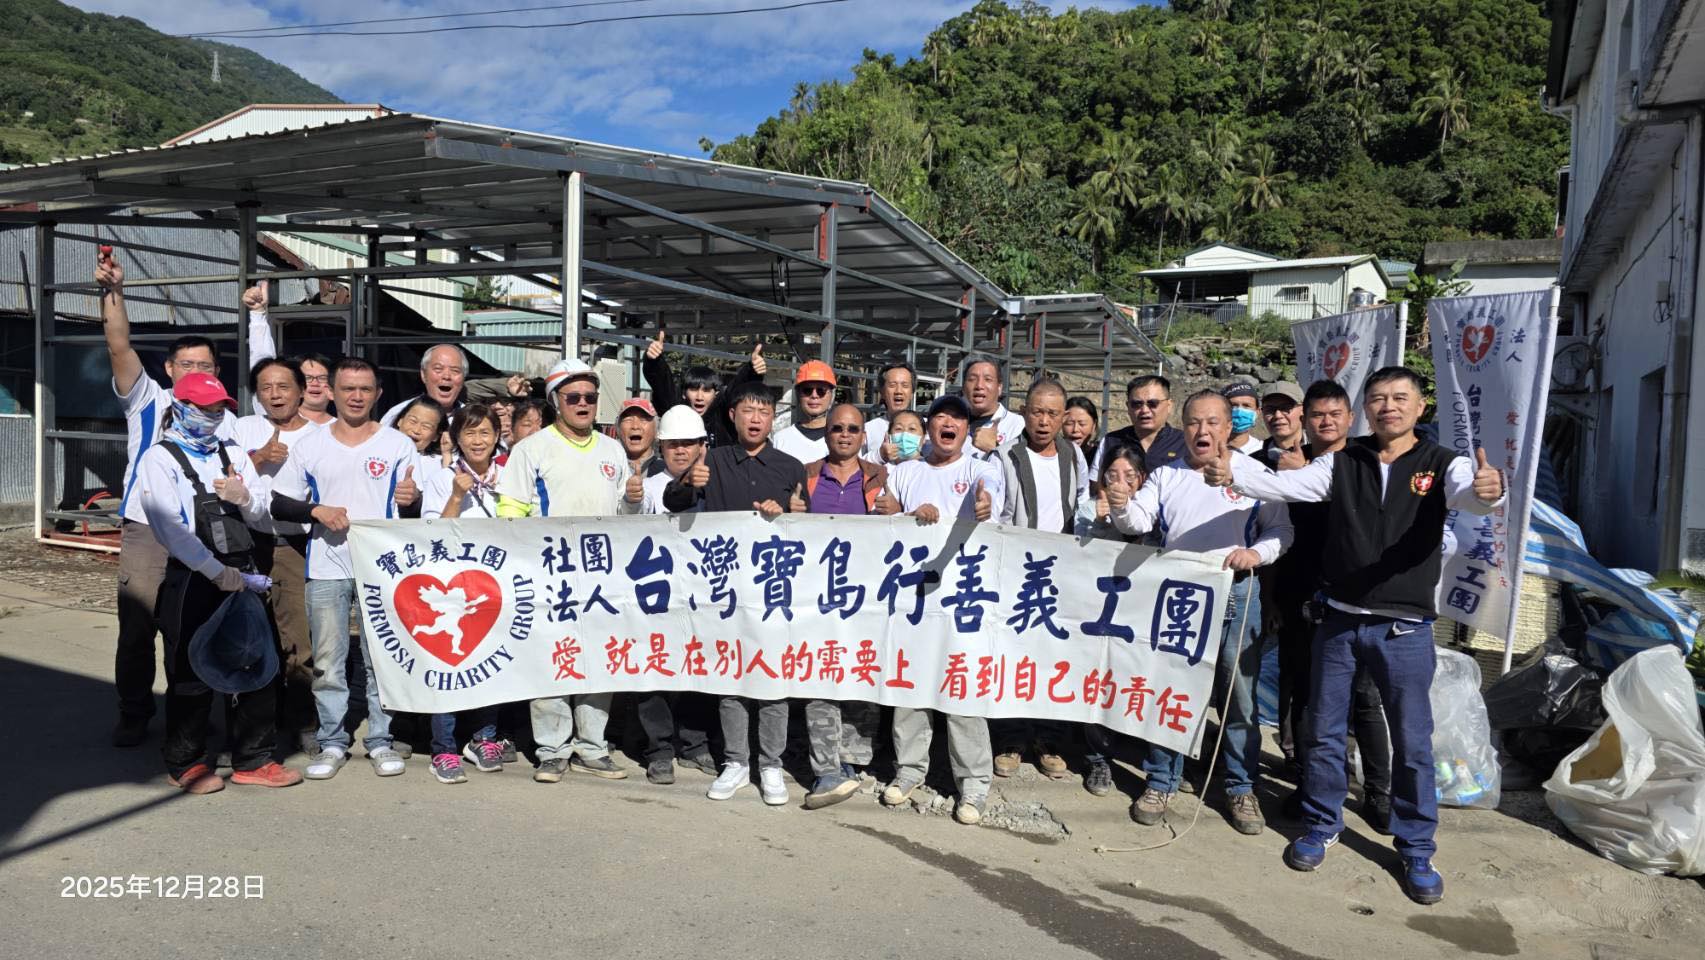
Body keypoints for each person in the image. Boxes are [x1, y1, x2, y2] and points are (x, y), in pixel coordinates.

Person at [1208, 366, 1506, 905]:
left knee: (1412, 742)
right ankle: (1323, 824)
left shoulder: (1443, 464)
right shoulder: (1344, 461)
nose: (1388, 407)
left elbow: (1472, 494)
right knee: (1322, 732)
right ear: (1366, 410)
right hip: (1339, 620)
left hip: (1405, 627)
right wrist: (1228, 469)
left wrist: (1490, 491)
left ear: (1419, 407)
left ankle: (1416, 847)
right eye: (1378, 399)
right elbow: (1284, 484)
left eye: (1399, 398)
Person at [97, 247, 275, 747]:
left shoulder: (226, 417)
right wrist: (113, 291)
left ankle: (191, 714)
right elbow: (117, 346)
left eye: (207, 363)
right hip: (150, 532)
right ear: (170, 368)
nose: (197, 369)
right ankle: (134, 711)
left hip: (212, 534)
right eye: (187, 362)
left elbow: (266, 375)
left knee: (196, 627)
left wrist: (258, 317)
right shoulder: (149, 401)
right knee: (138, 628)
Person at [1107, 390, 1293, 836]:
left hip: (1236, 593)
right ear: (1183, 426)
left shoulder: (1253, 474)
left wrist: (1256, 554)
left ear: (1229, 428)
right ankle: (1161, 779)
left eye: (1213, 423)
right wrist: (1118, 503)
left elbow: (1282, 530)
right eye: (1193, 423)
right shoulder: (1167, 475)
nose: (1202, 431)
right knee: (1172, 690)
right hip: (1179, 596)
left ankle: (1239, 786)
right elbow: (1138, 522)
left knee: (1239, 699)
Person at [138, 372, 301, 793]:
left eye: (218, 410)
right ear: (180, 407)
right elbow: (169, 527)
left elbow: (263, 514)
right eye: (203, 409)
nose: (212, 417)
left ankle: (254, 758)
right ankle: (186, 761)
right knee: (190, 668)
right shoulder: (161, 459)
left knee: (256, 662)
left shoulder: (233, 453)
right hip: (195, 576)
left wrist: (244, 498)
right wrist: (215, 572)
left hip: (244, 570)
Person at [268, 357, 422, 780]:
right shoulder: (310, 446)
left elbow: (417, 514)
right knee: (329, 660)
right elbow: (279, 502)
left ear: (378, 394)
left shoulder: (397, 445)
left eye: (365, 389)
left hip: (382, 569)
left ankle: (381, 740)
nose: (357, 397)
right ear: (331, 392)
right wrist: (315, 509)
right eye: (348, 388)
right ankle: (332, 740)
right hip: (327, 565)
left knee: (381, 659)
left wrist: (412, 500)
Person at [663, 380, 807, 805]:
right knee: (730, 679)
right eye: (748, 410)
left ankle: (772, 765)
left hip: (774, 591)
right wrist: (691, 480)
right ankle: (736, 762)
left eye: (764, 411)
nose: (756, 418)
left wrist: (796, 512)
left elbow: (811, 528)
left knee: (773, 680)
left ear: (772, 418)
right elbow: (673, 502)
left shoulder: (791, 466)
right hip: (723, 589)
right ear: (733, 416)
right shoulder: (715, 459)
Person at [497, 358, 639, 784]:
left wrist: (633, 498)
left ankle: (592, 747)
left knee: (598, 660)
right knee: (551, 659)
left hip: (601, 572)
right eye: (573, 397)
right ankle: (552, 749)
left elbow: (626, 513)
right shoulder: (531, 450)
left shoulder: (613, 450)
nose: (583, 404)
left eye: (590, 398)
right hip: (548, 572)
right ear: (555, 401)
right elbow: (511, 510)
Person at [1263, 380, 1393, 831]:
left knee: (1362, 698)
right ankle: (1308, 784)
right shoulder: (1285, 463)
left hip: (1355, 601)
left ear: (1349, 418)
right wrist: (1275, 597)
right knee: (1305, 694)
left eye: (1333, 414)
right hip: (1301, 598)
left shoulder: (1365, 462)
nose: (1325, 422)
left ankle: (1379, 792)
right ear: (1306, 418)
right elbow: (1278, 535)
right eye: (1317, 414)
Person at [877, 393, 1002, 825]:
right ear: (928, 427)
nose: (948, 424)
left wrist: (984, 504)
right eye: (940, 418)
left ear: (967, 429)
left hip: (963, 602)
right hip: (911, 599)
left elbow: (992, 497)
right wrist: (903, 512)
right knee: (909, 688)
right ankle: (908, 770)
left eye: (958, 419)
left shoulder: (979, 469)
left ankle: (973, 785)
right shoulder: (905, 471)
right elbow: (884, 515)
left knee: (963, 691)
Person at [992, 379, 1089, 781]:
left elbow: (1082, 506)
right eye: (1036, 412)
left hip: (1061, 574)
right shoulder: (1006, 456)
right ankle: (1010, 740)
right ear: (1024, 412)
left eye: (1052, 413)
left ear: (1064, 416)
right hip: (1018, 572)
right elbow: (998, 512)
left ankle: (1049, 740)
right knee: (1014, 659)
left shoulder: (1074, 456)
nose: (1044, 421)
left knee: (1054, 661)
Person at [798, 403, 886, 810]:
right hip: (817, 599)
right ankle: (827, 770)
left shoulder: (881, 478)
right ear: (826, 433)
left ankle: (852, 761)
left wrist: (899, 512)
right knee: (820, 677)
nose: (845, 434)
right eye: (837, 428)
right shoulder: (807, 475)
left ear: (863, 435)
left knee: (860, 674)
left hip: (867, 598)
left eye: (853, 428)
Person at [233, 357, 321, 750]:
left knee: (297, 640)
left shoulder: (322, 434)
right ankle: (254, 723)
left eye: (283, 386)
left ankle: (302, 720)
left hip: (294, 545)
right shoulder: (243, 428)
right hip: (247, 543)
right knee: (251, 637)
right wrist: (258, 458)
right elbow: (225, 477)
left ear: (302, 390)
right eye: (266, 387)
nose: (275, 394)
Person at [417, 404, 508, 783]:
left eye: (485, 432)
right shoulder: (442, 478)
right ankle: (444, 749)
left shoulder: (509, 476)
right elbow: (430, 534)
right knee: (448, 664)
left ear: (497, 437)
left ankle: (484, 738)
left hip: (493, 586)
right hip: (452, 587)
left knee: (491, 663)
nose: (477, 440)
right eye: (469, 433)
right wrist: (456, 495)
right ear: (456, 439)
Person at [631, 405, 719, 783]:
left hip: (704, 591)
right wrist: (631, 500)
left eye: (688, 444)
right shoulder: (646, 486)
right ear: (661, 447)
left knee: (701, 668)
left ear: (702, 446)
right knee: (656, 672)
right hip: (656, 593)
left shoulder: (719, 480)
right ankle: (660, 749)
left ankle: (695, 743)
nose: (680, 451)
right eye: (672, 445)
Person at [1070, 444, 1149, 798]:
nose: (1120, 482)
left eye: (1129, 477)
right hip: (1099, 609)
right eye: (1113, 475)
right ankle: (1097, 756)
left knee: (1135, 679)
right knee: (1098, 679)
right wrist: (1101, 523)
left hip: (1139, 610)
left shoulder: (1150, 508)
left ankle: (1140, 747)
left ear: (1141, 480)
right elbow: (1079, 554)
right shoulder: (1088, 509)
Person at [642, 336, 768, 448]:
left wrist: (752, 370)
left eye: (707, 390)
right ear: (684, 393)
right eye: (693, 389)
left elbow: (738, 391)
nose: (699, 397)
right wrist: (654, 361)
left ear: (716, 394)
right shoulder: (676, 411)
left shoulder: (724, 415)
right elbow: (663, 385)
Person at [1090, 375, 1187, 482]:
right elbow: (1096, 484)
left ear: (1169, 405)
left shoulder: (1185, 443)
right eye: (1136, 404)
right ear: (1128, 406)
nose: (1144, 410)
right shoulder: (1111, 441)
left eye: (1153, 403)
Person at [379, 344, 469, 427]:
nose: (446, 376)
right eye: (438, 369)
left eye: (455, 371)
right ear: (423, 375)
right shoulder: (398, 413)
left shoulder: (471, 419)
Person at [770, 360, 837, 463]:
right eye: (807, 390)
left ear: (831, 396)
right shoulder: (781, 439)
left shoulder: (843, 439)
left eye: (821, 391)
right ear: (798, 395)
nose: (814, 396)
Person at [961, 357, 1026, 459]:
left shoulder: (1017, 425)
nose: (979, 385)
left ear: (999, 388)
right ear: (964, 388)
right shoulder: (953, 424)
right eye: (972, 379)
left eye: (988, 379)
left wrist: (994, 448)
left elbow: (1024, 470)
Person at [862, 361, 916, 461]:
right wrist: (879, 455)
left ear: (912, 393)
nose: (898, 391)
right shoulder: (868, 430)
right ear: (882, 392)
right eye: (892, 385)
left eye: (905, 385)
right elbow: (854, 465)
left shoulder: (927, 429)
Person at [1258, 382, 1306, 468]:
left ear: (1303, 409)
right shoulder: (1253, 462)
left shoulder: (1322, 451)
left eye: (1285, 408)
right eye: (1270, 409)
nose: (1277, 415)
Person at [1222, 381, 1260, 453]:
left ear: (1257, 412)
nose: (1239, 411)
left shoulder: (1262, 451)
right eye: (1233, 405)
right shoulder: (1209, 448)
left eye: (1246, 406)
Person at [297, 354, 336, 425]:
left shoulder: (343, 428)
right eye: (308, 378)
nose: (315, 383)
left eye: (322, 378)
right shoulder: (279, 423)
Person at [1062, 396, 1100, 469]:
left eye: (1082, 424)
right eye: (1069, 423)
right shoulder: (1052, 454)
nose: (1075, 429)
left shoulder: (1099, 456)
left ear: (1094, 425)